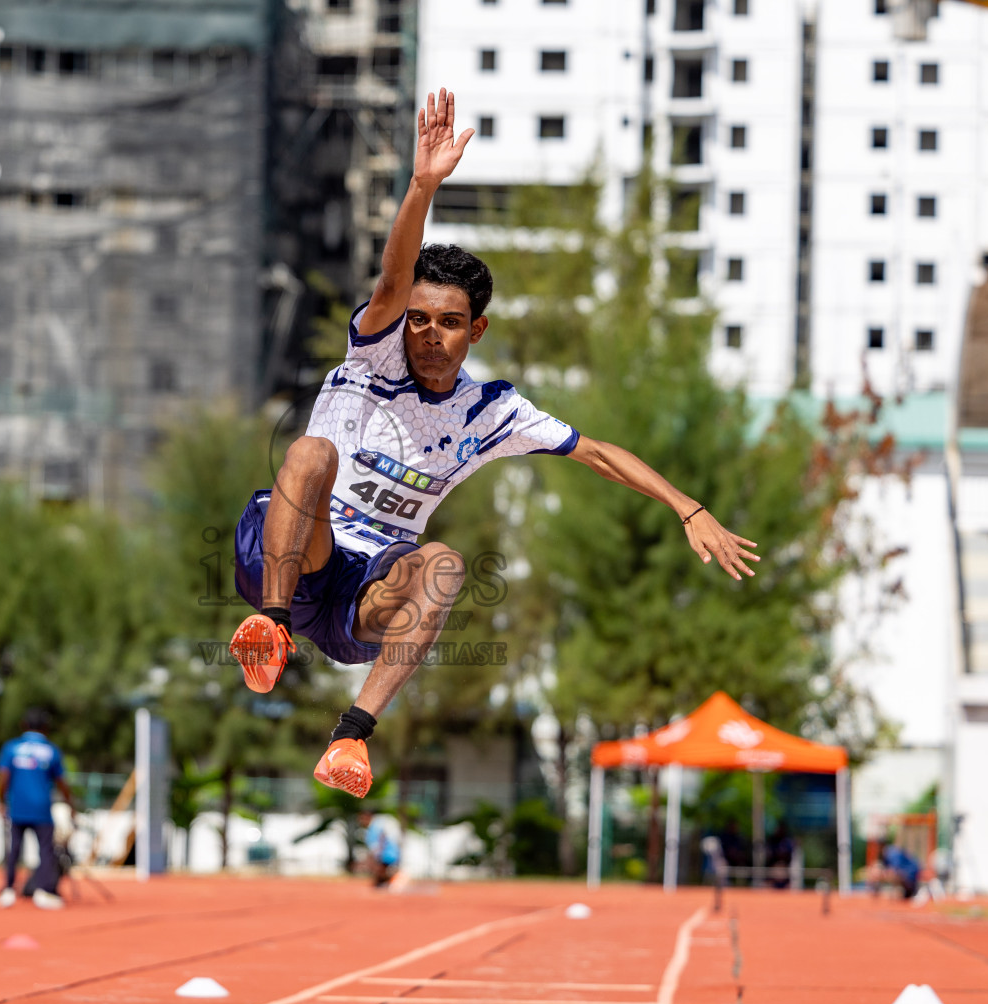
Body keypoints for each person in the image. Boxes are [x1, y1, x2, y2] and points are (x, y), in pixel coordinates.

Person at [229, 89, 761, 799]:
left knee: (445, 563)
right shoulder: (375, 357)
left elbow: (599, 453)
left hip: (362, 597)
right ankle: (268, 629)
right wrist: (423, 185)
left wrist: (686, 506)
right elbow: (392, 277)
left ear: (472, 331)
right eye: (416, 320)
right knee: (310, 454)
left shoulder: (494, 412)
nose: (425, 334)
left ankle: (353, 735)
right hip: (292, 556)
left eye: (445, 322)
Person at [0, 709, 76, 909]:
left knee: (14, 849)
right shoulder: (51, 750)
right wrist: (70, 804)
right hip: (41, 808)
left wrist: (1, 800)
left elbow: (3, 776)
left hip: (18, 806)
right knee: (46, 851)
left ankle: (7, 890)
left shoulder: (12, 747)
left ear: (24, 724)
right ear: (46, 727)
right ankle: (44, 891)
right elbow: (62, 782)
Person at [360, 810, 401, 888]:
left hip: (387, 851)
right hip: (386, 851)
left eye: (363, 818)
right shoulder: (375, 825)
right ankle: (385, 882)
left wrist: (380, 851)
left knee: (380, 868)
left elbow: (383, 836)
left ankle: (390, 881)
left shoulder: (376, 825)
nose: (362, 821)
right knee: (381, 868)